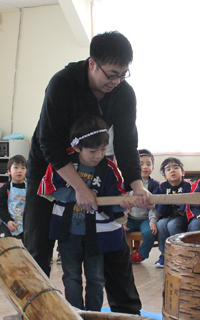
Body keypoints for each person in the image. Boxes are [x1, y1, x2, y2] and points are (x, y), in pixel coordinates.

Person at [23, 31, 146, 314]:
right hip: (50, 169)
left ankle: (127, 312)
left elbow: (127, 143)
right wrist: (79, 187)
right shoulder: (62, 84)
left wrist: (137, 185)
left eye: (123, 75)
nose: (116, 82)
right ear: (92, 63)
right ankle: (35, 311)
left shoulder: (123, 93)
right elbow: (49, 144)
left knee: (113, 239)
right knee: (38, 242)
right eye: (111, 74)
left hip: (97, 164)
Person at [38, 115, 125, 311]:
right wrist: (75, 193)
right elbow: (49, 187)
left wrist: (127, 205)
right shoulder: (63, 163)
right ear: (77, 148)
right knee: (71, 276)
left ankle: (94, 314)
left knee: (96, 278)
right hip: (68, 232)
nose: (98, 155)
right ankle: (74, 313)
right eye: (92, 151)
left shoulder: (110, 168)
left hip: (97, 235)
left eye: (103, 149)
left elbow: (117, 197)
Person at [155, 157, 194, 268]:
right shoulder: (162, 187)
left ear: (183, 172)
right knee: (161, 224)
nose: (172, 171)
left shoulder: (188, 185)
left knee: (172, 225)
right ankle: (164, 254)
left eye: (176, 168)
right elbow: (160, 206)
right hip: (169, 215)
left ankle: (180, 253)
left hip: (183, 216)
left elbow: (188, 204)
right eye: (168, 170)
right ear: (164, 175)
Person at [127, 149, 161, 263]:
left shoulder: (155, 184)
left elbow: (155, 205)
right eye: (141, 164)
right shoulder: (128, 182)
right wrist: (122, 219)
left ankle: (141, 255)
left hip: (145, 219)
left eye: (148, 164)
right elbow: (123, 201)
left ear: (153, 168)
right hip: (130, 218)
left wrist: (153, 221)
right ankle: (122, 255)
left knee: (149, 233)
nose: (145, 167)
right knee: (118, 230)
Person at [0, 155, 27, 239]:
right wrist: (8, 221)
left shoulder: (30, 188)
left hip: (26, 225)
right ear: (9, 171)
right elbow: (1, 208)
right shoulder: (5, 189)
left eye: (23, 168)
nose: (19, 171)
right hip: (9, 223)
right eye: (15, 168)